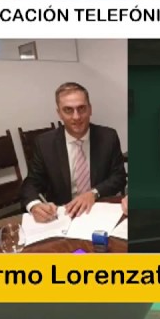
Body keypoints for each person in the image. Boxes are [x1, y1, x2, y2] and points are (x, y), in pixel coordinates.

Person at [20, 82, 127, 222]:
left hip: (98, 210)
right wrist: (34, 205)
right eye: (68, 110)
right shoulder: (44, 143)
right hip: (61, 215)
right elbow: (31, 183)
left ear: (90, 109)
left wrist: (94, 193)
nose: (76, 117)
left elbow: (119, 177)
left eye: (81, 108)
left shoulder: (108, 137)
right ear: (59, 113)